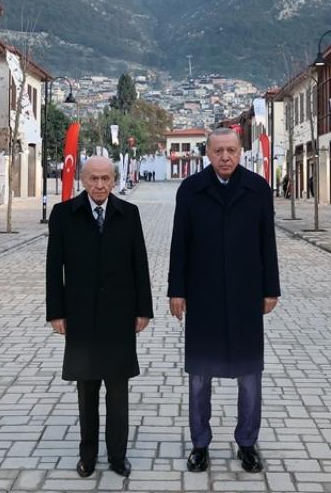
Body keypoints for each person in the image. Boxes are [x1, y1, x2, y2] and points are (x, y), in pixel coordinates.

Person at [168, 128, 280, 474]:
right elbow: (179, 243)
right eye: (218, 151)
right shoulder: (190, 190)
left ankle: (247, 442)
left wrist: (270, 288)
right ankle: (200, 444)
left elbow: (267, 241)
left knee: (249, 374)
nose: (226, 157)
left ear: (241, 151)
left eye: (231, 150)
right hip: (204, 296)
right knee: (200, 375)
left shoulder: (258, 189)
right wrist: (177, 290)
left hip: (246, 294)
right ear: (208, 153)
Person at [46, 156, 153, 479]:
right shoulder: (64, 215)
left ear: (114, 179)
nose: (100, 185)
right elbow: (54, 268)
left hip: (120, 316)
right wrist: (56, 312)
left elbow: (140, 264)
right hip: (80, 316)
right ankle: (88, 454)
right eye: (93, 178)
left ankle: (118, 456)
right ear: (82, 179)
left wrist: (143, 309)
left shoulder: (129, 213)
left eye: (106, 178)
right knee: (87, 388)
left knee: (118, 390)